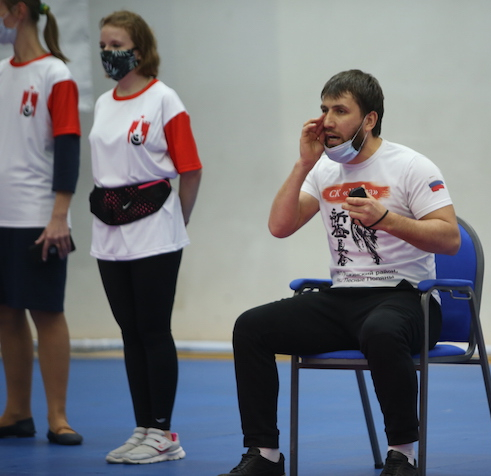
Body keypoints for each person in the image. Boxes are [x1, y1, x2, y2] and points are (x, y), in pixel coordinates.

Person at [220, 70, 460, 476]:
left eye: (340, 111)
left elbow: (450, 238)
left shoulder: (411, 166)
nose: (327, 121)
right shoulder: (324, 170)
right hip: (344, 297)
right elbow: (279, 226)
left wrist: (386, 219)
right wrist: (303, 164)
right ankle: (265, 455)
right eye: (324, 109)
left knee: (381, 330)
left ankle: (403, 455)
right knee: (251, 327)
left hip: (408, 299)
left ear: (369, 119)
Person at [89, 10, 202, 465]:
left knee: (153, 329)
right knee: (129, 331)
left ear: (139, 50)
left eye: (116, 45)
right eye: (102, 45)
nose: (107, 53)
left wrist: (178, 222)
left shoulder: (164, 100)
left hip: (154, 227)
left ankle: (163, 432)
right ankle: (142, 427)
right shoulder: (103, 103)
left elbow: (190, 169)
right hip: (108, 227)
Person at [0, 0, 82, 446]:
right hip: (2, 214)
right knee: (6, 311)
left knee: (46, 311)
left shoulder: (56, 74)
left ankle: (58, 417)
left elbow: (68, 147)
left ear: (17, 10)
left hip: (38, 215)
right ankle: (16, 412)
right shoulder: (1, 72)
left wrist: (59, 216)